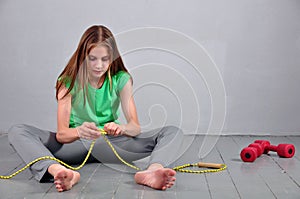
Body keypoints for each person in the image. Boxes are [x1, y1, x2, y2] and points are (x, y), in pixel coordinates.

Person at [8, 25, 183, 192]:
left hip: (111, 145)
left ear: (112, 57)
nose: (98, 65)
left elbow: (135, 127)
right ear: (83, 56)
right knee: (18, 131)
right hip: (74, 146)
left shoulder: (121, 79)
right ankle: (59, 172)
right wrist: (79, 131)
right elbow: (62, 134)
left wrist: (120, 128)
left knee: (172, 131)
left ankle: (152, 171)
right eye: (92, 58)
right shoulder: (67, 81)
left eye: (105, 59)